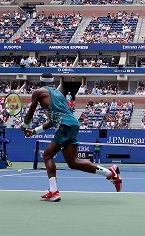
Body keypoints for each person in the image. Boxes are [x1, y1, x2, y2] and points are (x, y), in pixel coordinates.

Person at [21, 72, 121, 202]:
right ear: (52, 82)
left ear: (40, 81)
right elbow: (53, 121)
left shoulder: (38, 92)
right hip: (73, 124)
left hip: (65, 125)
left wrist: (24, 125)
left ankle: (54, 191)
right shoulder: (59, 95)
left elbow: (30, 112)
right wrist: (34, 131)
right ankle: (109, 173)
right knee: (73, 162)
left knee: (47, 155)